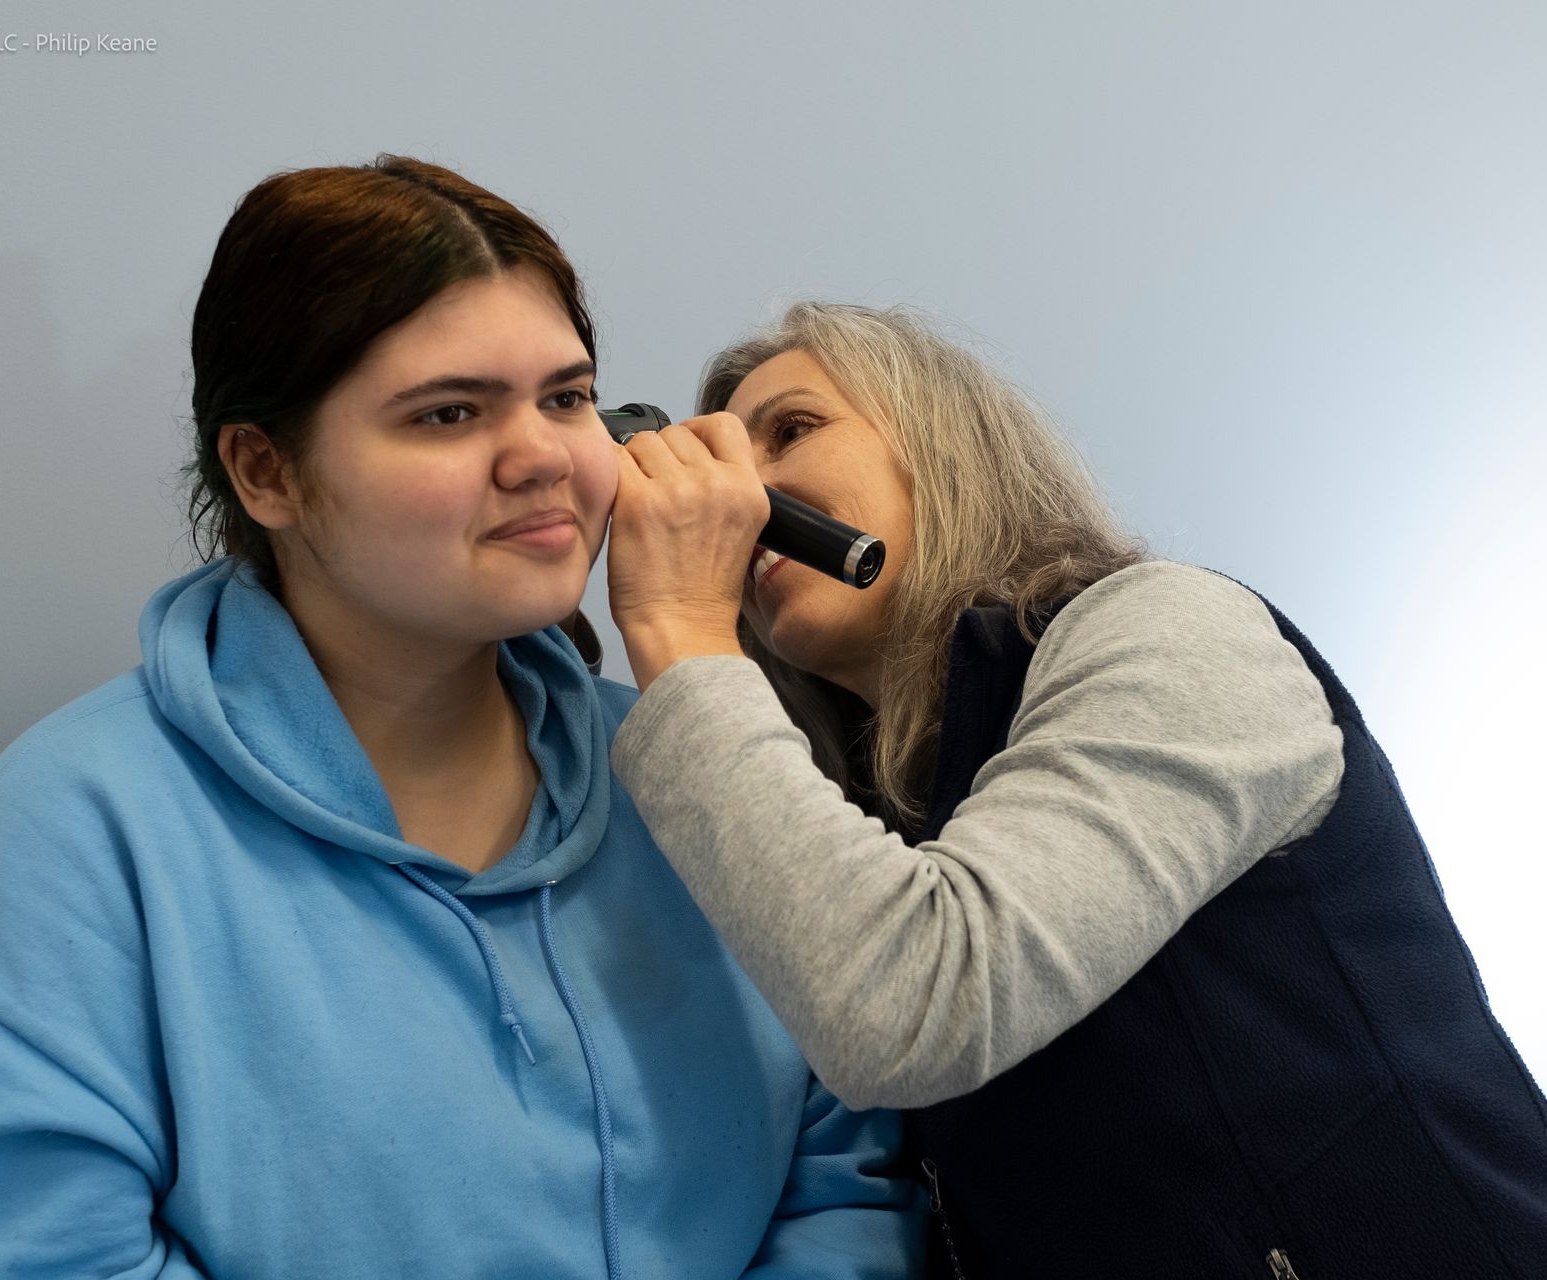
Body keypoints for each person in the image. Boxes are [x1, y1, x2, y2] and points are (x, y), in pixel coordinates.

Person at [0, 162, 922, 1279]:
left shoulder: (700, 782)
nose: (544, 457)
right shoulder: (67, 846)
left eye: (566, 397)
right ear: (265, 470)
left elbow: (845, 1176)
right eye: (450, 413)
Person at [604, 301, 1547, 1279]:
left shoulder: (1166, 630)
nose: (739, 489)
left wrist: (678, 623)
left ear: (943, 445)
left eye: (793, 429)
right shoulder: (862, 832)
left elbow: (914, 1000)